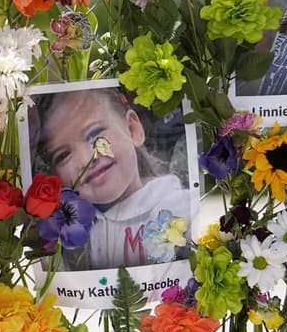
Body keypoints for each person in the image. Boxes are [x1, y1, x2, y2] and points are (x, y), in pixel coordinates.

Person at [35, 88, 191, 271]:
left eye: (94, 134)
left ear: (133, 130)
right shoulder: (71, 240)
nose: (86, 159)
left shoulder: (184, 209)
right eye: (63, 155)